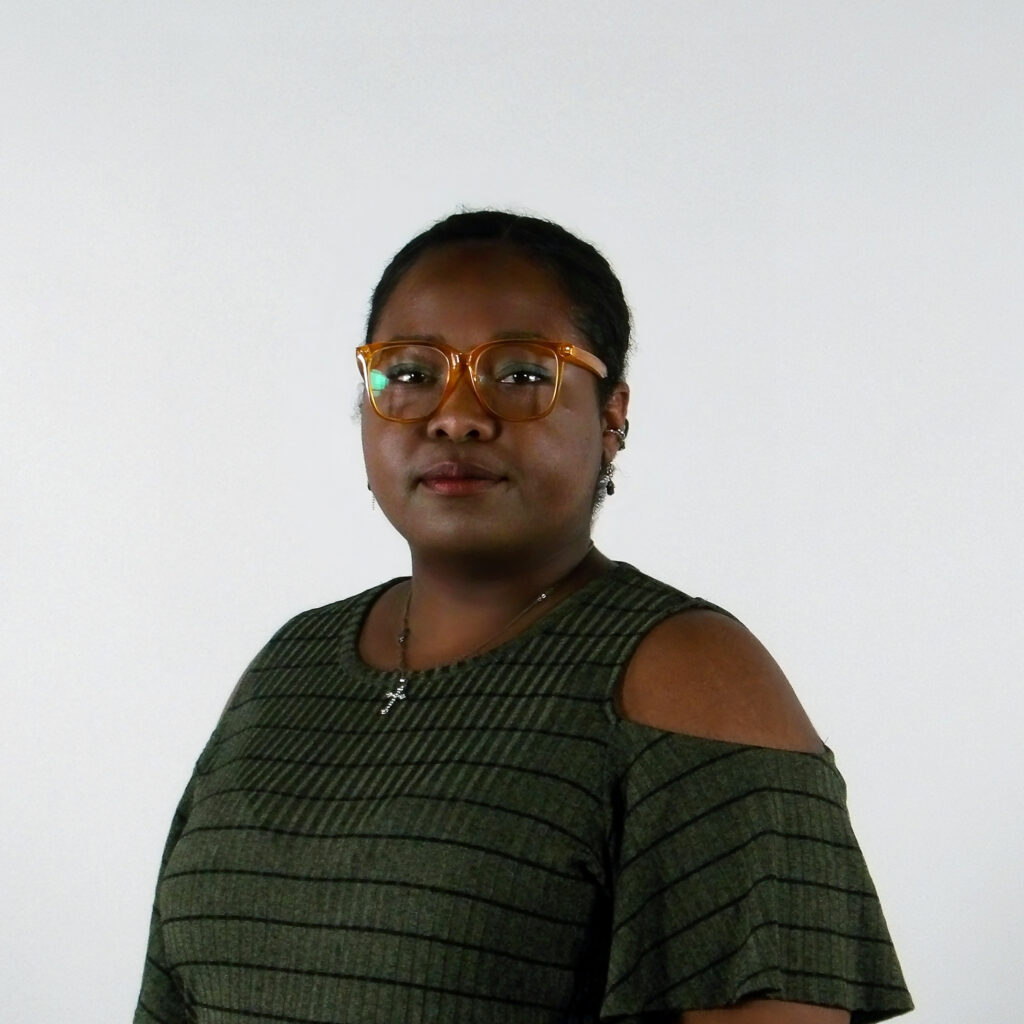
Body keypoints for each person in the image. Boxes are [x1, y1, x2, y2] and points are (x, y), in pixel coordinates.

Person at [133, 211, 913, 1024]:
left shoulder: (686, 678)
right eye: (410, 371)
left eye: (520, 375)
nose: (456, 414)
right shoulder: (289, 667)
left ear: (611, 415)